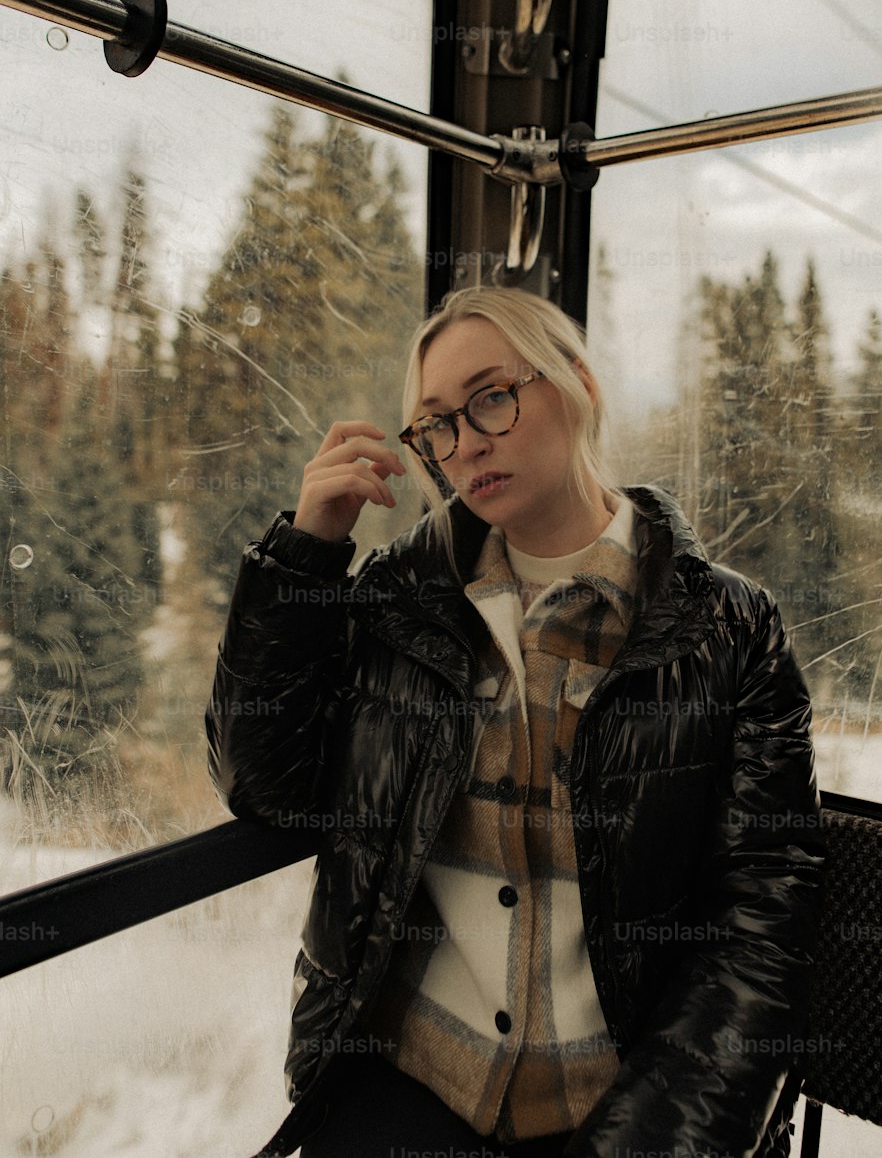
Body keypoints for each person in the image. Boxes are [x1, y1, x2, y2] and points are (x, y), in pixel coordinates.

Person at [207, 285, 825, 1158]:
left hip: (620, 1111)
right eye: (437, 426)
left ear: (578, 384)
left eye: (492, 396)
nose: (466, 444)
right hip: (401, 1082)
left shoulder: (727, 630)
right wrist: (303, 560)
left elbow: (762, 915)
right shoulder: (398, 600)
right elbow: (262, 787)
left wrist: (656, 1137)